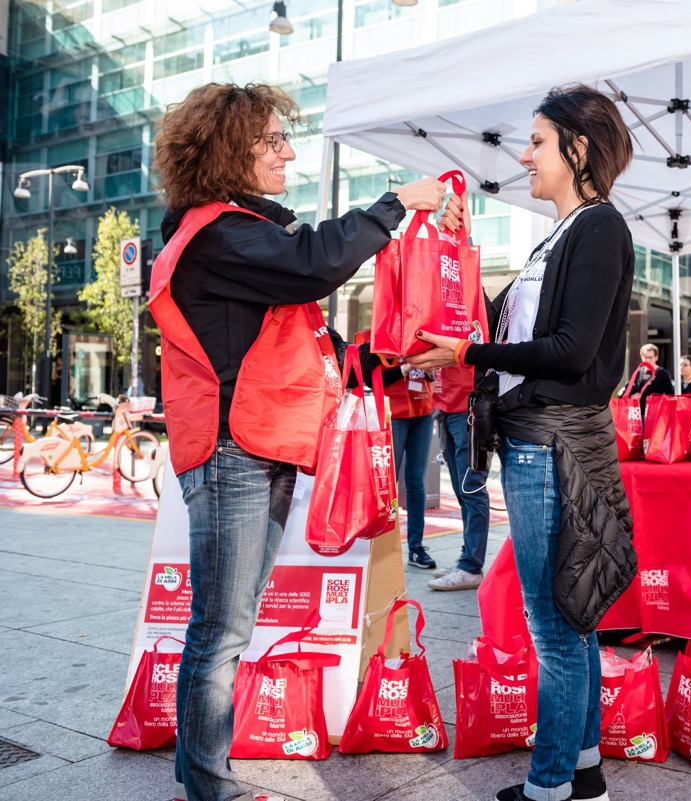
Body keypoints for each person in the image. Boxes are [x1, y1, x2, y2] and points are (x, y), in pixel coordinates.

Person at [149, 82, 456, 801]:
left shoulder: (235, 234)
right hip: (234, 451)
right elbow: (313, 263)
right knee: (220, 630)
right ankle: (209, 789)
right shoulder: (218, 233)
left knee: (226, 623)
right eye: (273, 141)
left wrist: (385, 360)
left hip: (255, 445)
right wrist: (393, 206)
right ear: (232, 151)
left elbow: (304, 332)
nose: (288, 152)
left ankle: (198, 772)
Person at [409, 84, 637, 801]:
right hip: (539, 442)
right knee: (573, 612)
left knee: (552, 622)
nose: (525, 155)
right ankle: (585, 771)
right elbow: (502, 329)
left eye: (538, 141)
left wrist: (470, 358)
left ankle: (549, 788)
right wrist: (459, 245)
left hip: (553, 444)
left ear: (577, 146)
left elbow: (569, 351)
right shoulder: (561, 234)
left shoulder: (599, 229)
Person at [427, 365, 491, 591]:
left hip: (468, 408)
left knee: (471, 489)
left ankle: (471, 567)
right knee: (462, 491)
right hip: (446, 407)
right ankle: (467, 560)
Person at [383, 359, 437, 569]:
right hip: (394, 414)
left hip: (423, 411)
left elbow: (432, 374)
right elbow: (372, 378)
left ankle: (416, 547)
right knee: (388, 484)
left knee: (416, 482)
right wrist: (404, 369)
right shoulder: (374, 339)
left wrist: (430, 369)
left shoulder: (420, 335)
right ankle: (383, 547)